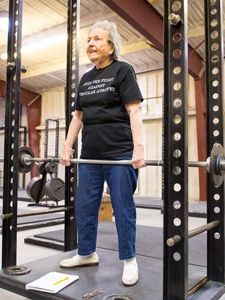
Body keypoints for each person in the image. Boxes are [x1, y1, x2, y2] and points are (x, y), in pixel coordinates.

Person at [59, 20, 146, 287]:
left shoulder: (123, 71)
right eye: (88, 40)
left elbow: (134, 110)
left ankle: (129, 260)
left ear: (111, 45)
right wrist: (67, 145)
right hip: (90, 156)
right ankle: (86, 253)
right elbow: (78, 116)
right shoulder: (85, 79)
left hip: (119, 154)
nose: (91, 44)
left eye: (97, 39)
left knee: (122, 208)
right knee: (85, 206)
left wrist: (138, 147)